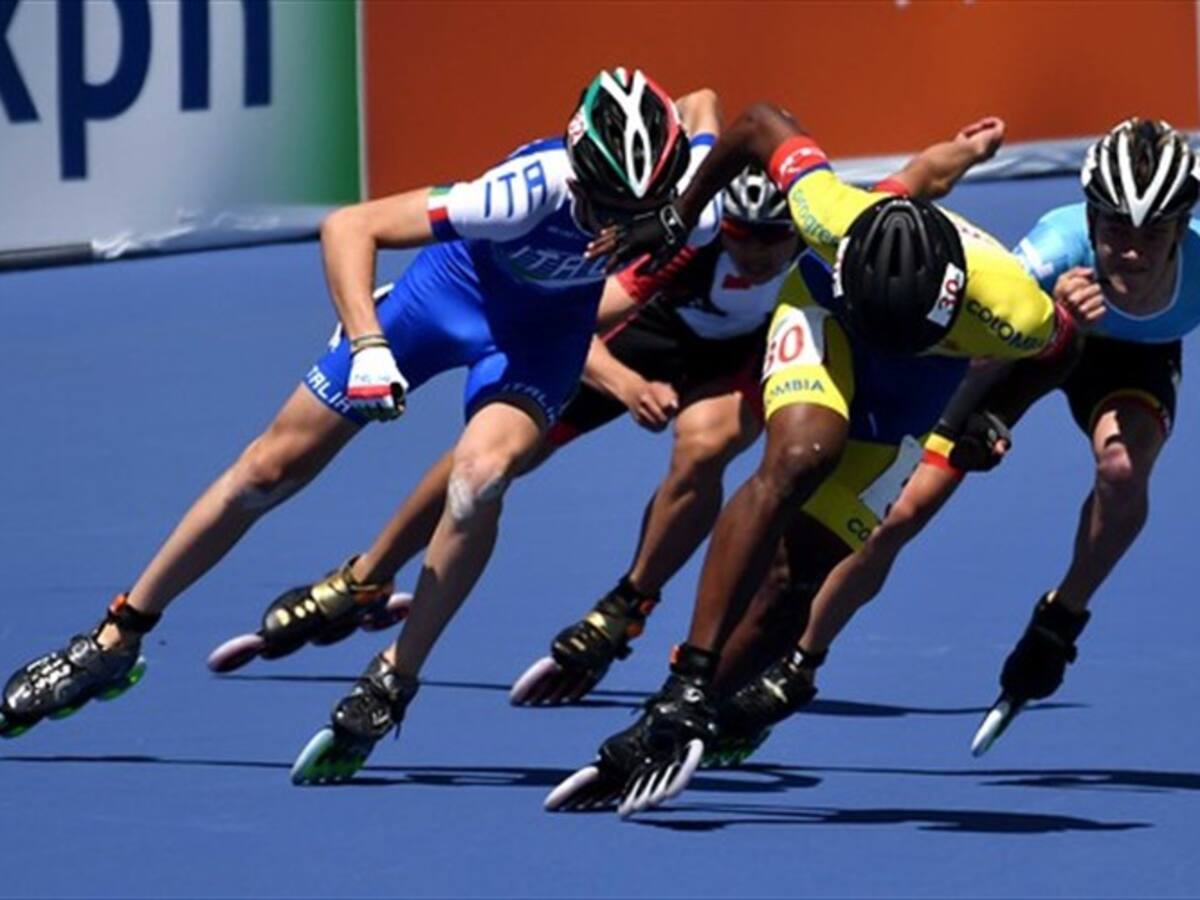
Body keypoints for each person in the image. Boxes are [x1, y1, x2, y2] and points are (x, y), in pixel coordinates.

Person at [0, 69, 722, 744]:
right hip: (449, 297)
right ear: (577, 164)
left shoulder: (686, 196)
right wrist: (369, 344)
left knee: (479, 479)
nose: (613, 225)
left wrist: (671, 199)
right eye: (604, 207)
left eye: (634, 211)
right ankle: (116, 637)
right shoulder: (521, 191)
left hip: (542, 337)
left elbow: (704, 100)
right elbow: (351, 225)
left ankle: (393, 679)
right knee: (267, 469)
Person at [547, 100, 1101, 816]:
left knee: (798, 577)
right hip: (824, 314)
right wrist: (680, 214)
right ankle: (691, 676)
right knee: (801, 457)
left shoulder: (1015, 310)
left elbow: (1064, 347)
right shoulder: (825, 211)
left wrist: (995, 413)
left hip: (922, 376)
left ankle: (669, 719)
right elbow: (754, 122)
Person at [718, 117, 1199, 759]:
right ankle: (796, 667)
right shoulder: (1051, 253)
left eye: (1154, 233)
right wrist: (978, 425)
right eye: (1114, 228)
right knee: (899, 514)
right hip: (1025, 347)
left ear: (1182, 226)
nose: (1132, 252)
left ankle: (1059, 621)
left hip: (1136, 360)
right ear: (1089, 217)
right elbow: (976, 351)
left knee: (1121, 470)